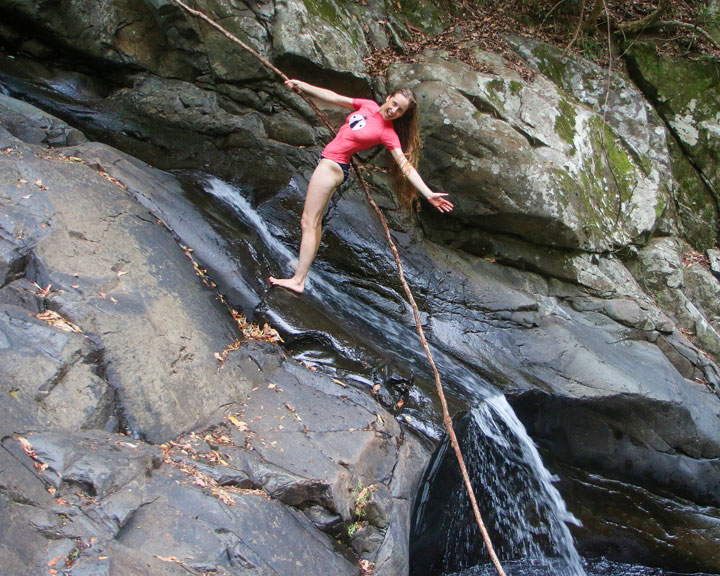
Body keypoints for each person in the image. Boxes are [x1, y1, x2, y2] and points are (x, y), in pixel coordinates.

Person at [269, 79, 453, 294]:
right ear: (388, 98)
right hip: (331, 163)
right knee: (315, 222)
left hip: (333, 167)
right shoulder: (368, 105)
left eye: (400, 110)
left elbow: (405, 166)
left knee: (308, 221)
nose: (394, 110)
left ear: (403, 115)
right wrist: (302, 86)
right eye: (394, 103)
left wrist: (428, 193)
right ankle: (302, 268)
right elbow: (335, 97)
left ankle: (298, 281)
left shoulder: (388, 133)